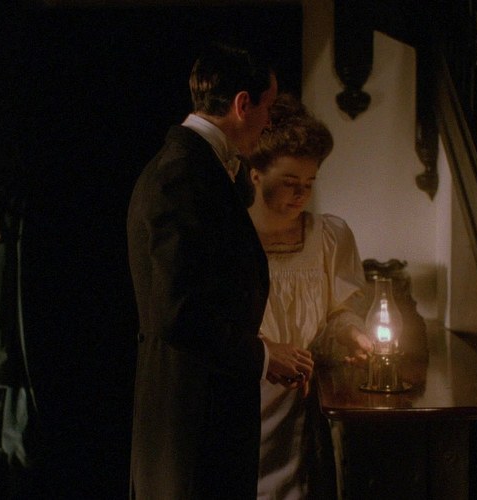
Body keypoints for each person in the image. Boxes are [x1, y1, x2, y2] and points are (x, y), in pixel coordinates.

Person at [126, 42, 315, 499]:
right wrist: (263, 356)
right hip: (191, 422)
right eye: (267, 108)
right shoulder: (181, 175)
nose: (269, 123)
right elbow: (177, 313)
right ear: (242, 105)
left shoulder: (199, 168)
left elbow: (206, 293)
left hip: (203, 413)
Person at [244, 94, 375, 499]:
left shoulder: (329, 237)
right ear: (256, 175)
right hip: (245, 394)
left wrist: (352, 333)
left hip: (300, 401)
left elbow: (339, 312)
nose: (300, 194)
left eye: (309, 183)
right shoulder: (231, 238)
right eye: (289, 182)